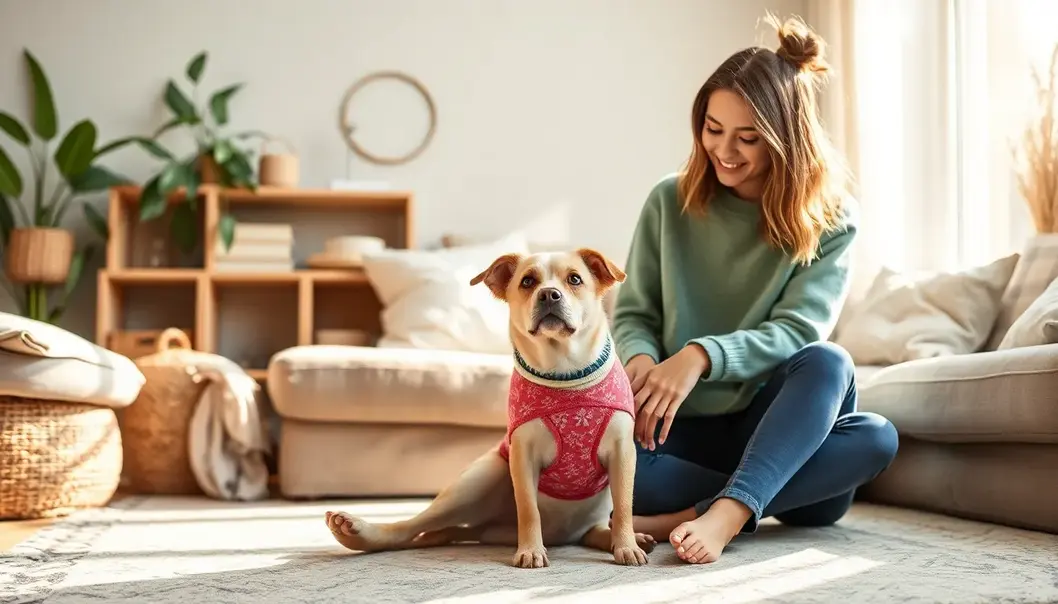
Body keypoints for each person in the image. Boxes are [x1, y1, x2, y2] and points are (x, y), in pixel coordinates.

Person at [611, 13, 899, 565]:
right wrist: (644, 361)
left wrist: (698, 355)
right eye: (712, 129)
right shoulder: (667, 202)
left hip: (779, 423)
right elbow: (634, 311)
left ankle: (723, 513)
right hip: (688, 430)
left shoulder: (832, 218)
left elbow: (798, 331)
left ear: (786, 139)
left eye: (748, 138)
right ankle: (752, 491)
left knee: (863, 415)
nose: (725, 150)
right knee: (623, 470)